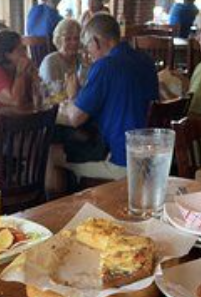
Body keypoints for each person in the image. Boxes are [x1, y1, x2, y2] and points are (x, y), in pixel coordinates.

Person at [59, 13, 158, 180]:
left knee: (53, 156)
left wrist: (71, 97)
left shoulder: (105, 65)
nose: (88, 52)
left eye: (87, 45)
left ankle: (63, 205)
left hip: (121, 163)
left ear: (96, 41)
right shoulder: (145, 59)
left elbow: (76, 118)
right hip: (150, 158)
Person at [0, 29, 37, 108]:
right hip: (0, 118)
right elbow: (15, 101)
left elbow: (42, 96)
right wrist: (20, 73)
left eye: (25, 49)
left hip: (23, 116)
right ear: (7, 54)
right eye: (20, 50)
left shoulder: (16, 69)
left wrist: (34, 74)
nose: (25, 54)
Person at [39, 18, 88, 98]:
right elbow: (52, 97)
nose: (74, 43)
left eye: (76, 38)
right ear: (59, 41)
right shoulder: (50, 62)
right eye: (68, 39)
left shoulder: (82, 60)